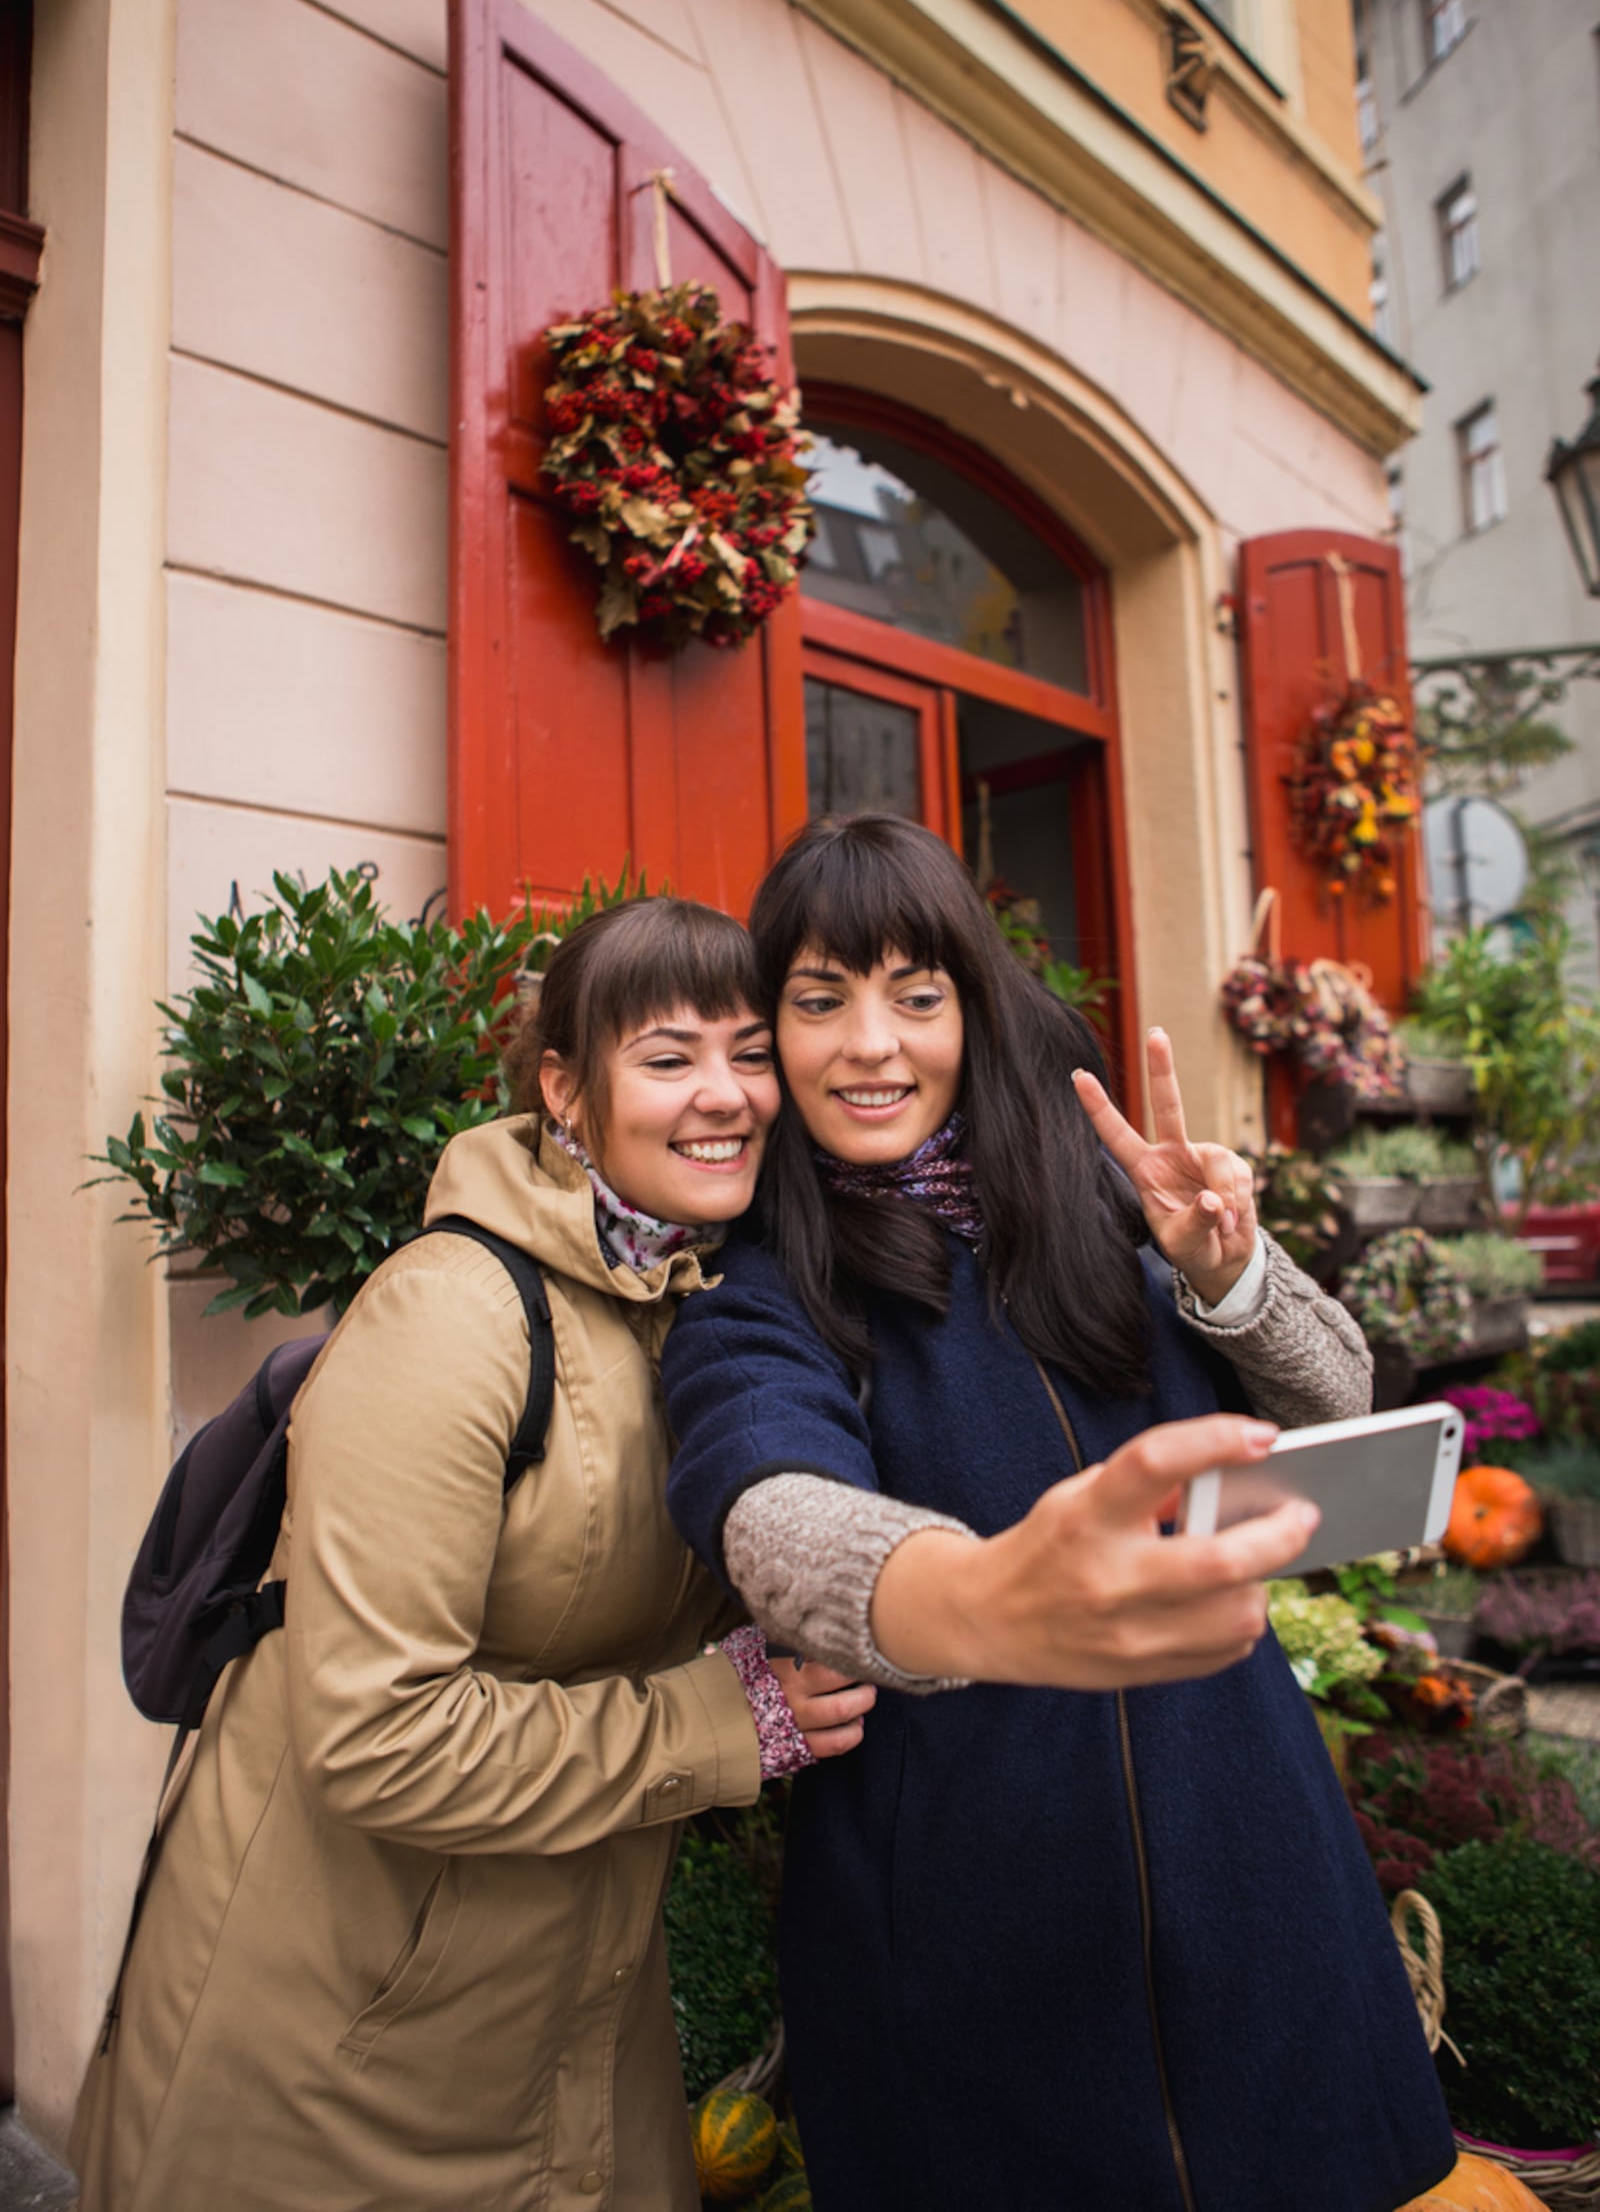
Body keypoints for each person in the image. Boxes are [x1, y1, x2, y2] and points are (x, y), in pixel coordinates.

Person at [663, 816, 1457, 2212]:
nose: (871, 1045)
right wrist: (977, 1601)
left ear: (969, 1007)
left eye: (917, 996)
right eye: (821, 998)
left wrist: (1231, 1275)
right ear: (767, 1032)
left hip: (1254, 1859)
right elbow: (766, 1505)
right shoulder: (765, 1291)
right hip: (968, 1934)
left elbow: (1337, 1401)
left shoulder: (1097, 1202)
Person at [71, 896, 873, 2212]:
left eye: (749, 1053)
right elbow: (377, 1733)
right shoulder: (454, 1318)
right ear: (565, 1089)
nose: (724, 1095)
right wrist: (720, 1721)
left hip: (569, 2013)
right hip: (342, 2039)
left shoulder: (694, 1302)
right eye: (668, 1057)